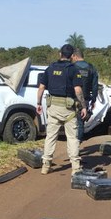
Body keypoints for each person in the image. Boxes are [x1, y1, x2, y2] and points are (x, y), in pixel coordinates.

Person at [36, 44, 87, 175]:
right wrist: (83, 106)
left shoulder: (50, 68)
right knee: (72, 138)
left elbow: (41, 87)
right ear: (71, 57)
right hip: (69, 109)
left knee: (51, 137)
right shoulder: (73, 69)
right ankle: (75, 167)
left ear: (60, 54)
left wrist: (38, 103)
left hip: (53, 108)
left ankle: (46, 166)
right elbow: (78, 90)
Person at [71, 48, 98, 142]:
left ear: (75, 56)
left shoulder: (71, 67)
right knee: (80, 123)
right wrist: (94, 99)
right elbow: (95, 86)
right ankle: (77, 146)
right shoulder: (91, 68)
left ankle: (72, 146)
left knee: (69, 123)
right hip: (84, 99)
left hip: (71, 98)